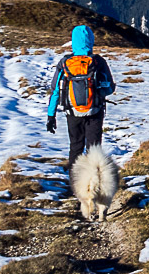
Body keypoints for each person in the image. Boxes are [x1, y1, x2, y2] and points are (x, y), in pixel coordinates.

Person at [47, 25, 116, 167]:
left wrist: (51, 115)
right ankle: (94, 185)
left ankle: (75, 185)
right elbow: (108, 88)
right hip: (95, 111)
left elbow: (55, 91)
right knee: (94, 150)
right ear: (91, 40)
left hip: (72, 112)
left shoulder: (65, 63)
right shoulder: (98, 61)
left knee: (75, 147)